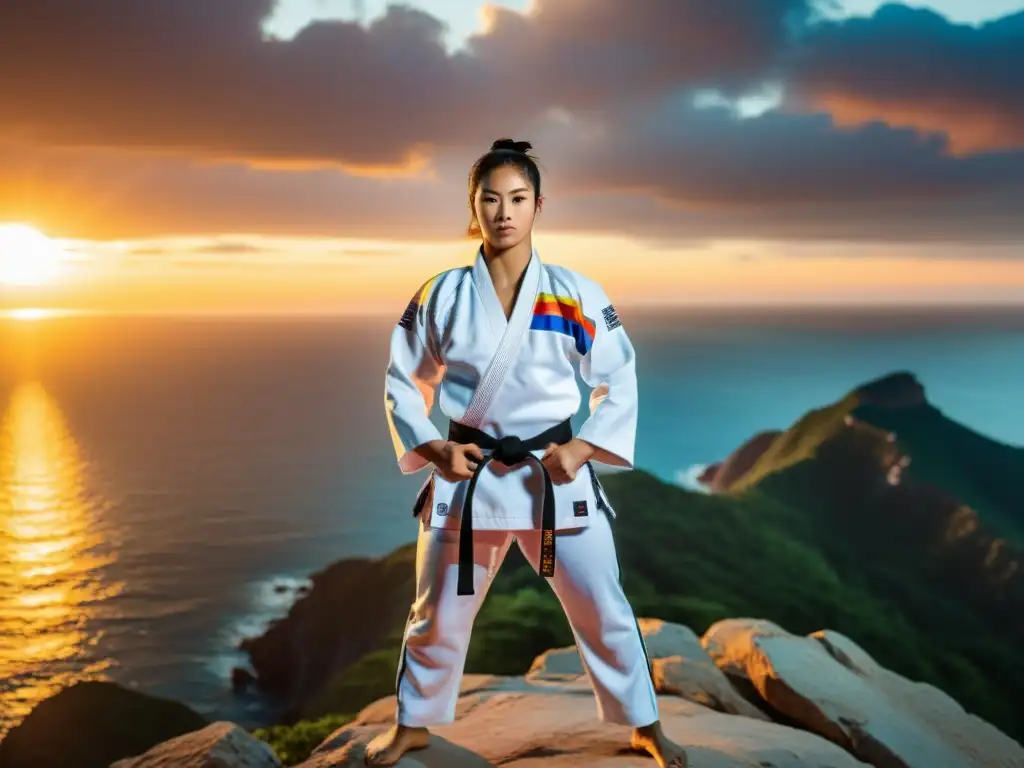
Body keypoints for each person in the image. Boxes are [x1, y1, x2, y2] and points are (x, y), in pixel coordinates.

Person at [366, 138, 688, 768]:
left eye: (517, 198)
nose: (504, 211)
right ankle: (413, 724)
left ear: (539, 205)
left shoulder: (575, 292)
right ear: (473, 207)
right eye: (491, 198)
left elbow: (618, 378)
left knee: (604, 605)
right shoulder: (442, 294)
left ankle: (644, 724)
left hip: (554, 474)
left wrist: (585, 447)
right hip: (470, 474)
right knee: (435, 611)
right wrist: (434, 448)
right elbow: (403, 380)